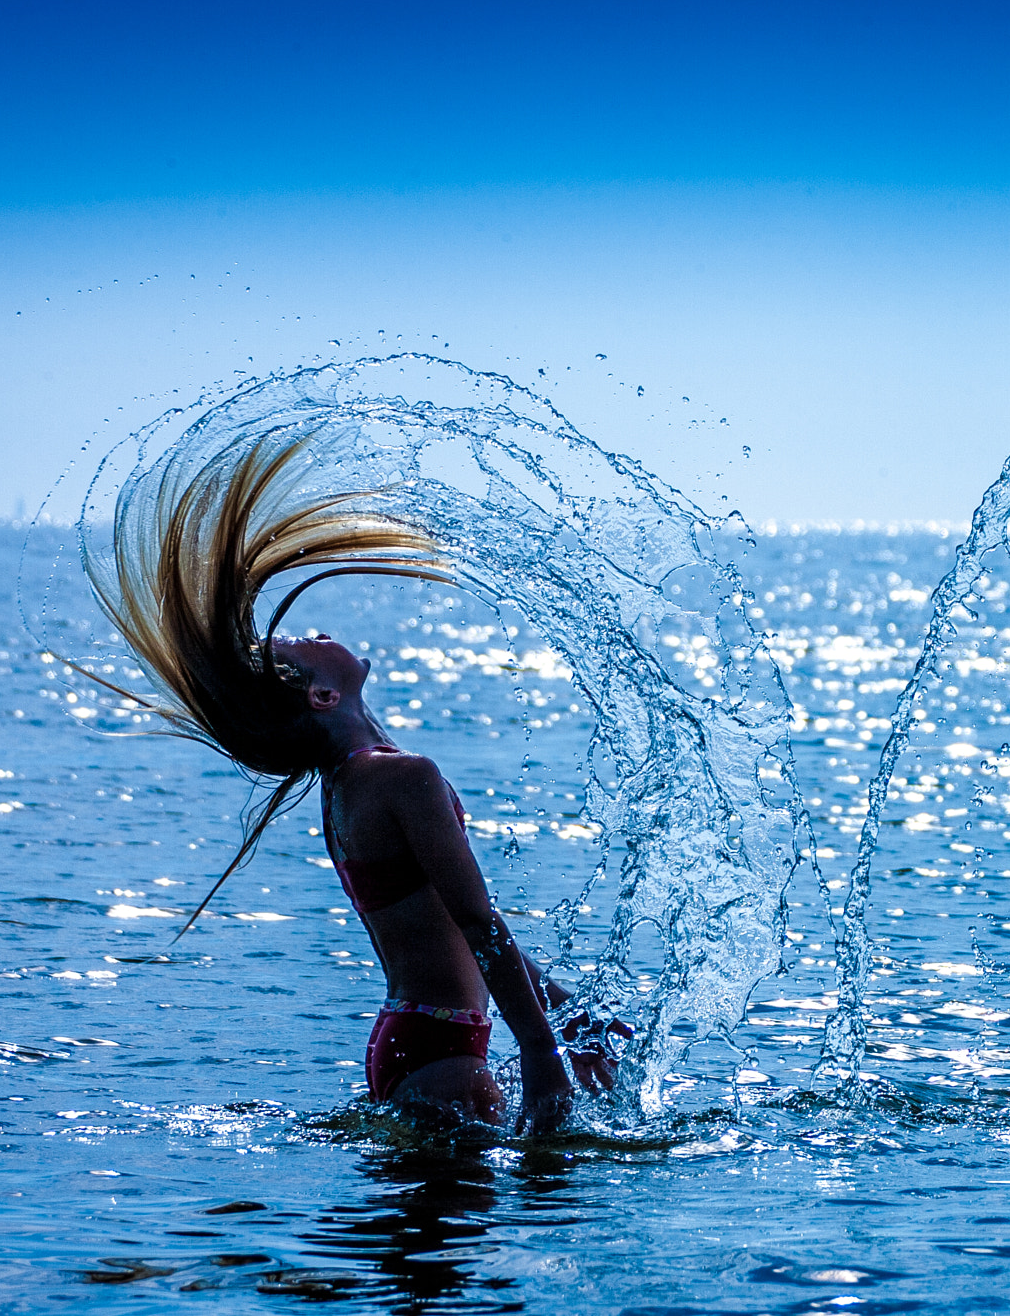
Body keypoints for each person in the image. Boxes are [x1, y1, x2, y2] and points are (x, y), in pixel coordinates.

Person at [77, 422, 616, 1133]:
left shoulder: (347, 789)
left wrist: (569, 1010)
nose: (318, 631)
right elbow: (477, 924)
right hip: (443, 1048)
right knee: (450, 1238)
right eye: (304, 644)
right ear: (322, 696)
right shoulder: (402, 779)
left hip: (415, 1038)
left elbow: (456, 929)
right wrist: (542, 1050)